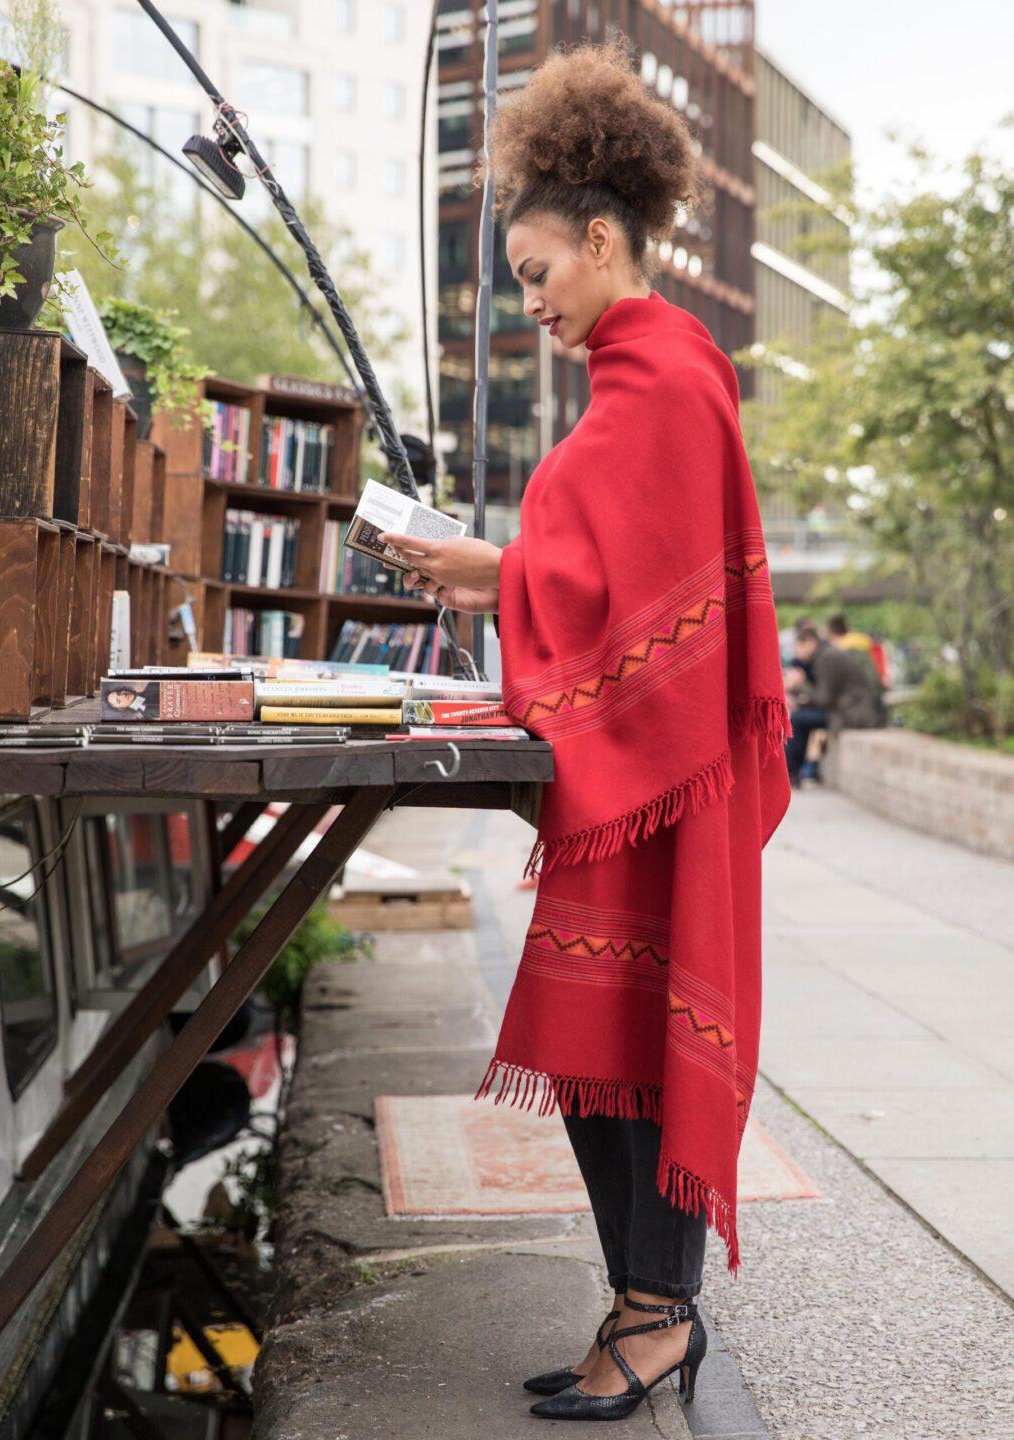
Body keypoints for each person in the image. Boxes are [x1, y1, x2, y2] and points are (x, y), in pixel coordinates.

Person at [381, 38, 791, 1422]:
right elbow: (616, 569)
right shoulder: (647, 368)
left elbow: (634, 595)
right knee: (596, 1033)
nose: (533, 306)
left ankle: (658, 1315)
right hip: (647, 774)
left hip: (664, 776)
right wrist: (500, 569)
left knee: (634, 1029)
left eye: (540, 274)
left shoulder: (662, 375)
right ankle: (639, 1307)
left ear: (604, 239)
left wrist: (498, 573)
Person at [784, 622, 886, 780]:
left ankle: (790, 772)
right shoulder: (825, 654)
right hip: (846, 709)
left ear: (810, 642)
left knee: (798, 719)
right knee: (801, 716)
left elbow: (824, 698)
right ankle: (797, 770)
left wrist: (800, 685)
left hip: (853, 713)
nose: (796, 652)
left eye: (799, 646)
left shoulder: (826, 658)